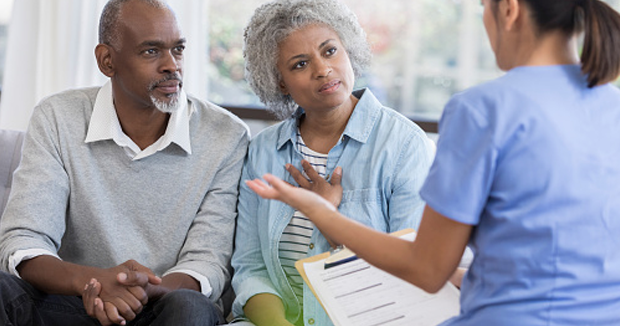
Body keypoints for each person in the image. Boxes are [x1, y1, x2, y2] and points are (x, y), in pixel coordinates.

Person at [246, 0, 620, 325]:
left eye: (482, 9)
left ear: (509, 9)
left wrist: (322, 213)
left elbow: (427, 269)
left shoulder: (481, 110)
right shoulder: (612, 107)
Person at [0, 0, 250, 325]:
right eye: (151, 51)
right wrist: (93, 282)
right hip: (72, 302)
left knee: (191, 308)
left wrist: (141, 290)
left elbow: (208, 261)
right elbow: (25, 239)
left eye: (178, 49)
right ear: (107, 60)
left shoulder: (225, 135)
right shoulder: (58, 117)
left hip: (162, 305)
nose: (171, 65)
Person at [230, 0, 437, 325]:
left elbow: (409, 274)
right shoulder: (263, 151)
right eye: (300, 64)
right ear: (280, 81)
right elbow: (251, 268)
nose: (322, 69)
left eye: (329, 51)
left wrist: (329, 220)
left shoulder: (405, 146)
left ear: (348, 49)